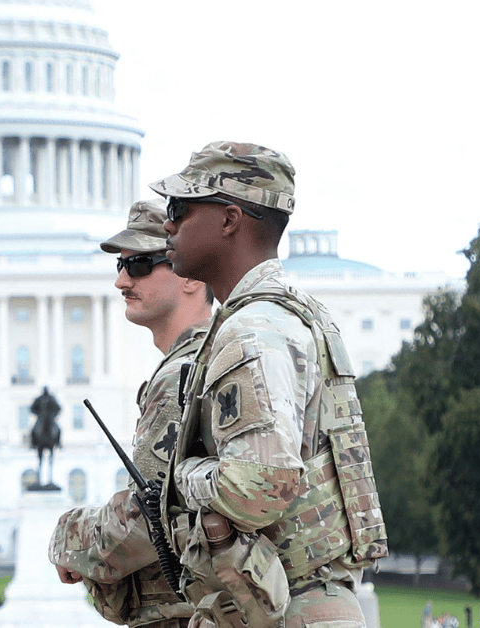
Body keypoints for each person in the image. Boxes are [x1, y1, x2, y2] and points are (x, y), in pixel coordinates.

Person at [152, 142, 388, 628]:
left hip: (286, 609)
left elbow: (257, 486)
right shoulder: (290, 314)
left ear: (229, 219)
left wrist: (182, 477)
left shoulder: (254, 330)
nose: (168, 226)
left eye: (179, 208)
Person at [49, 199, 212, 628]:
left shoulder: (187, 372)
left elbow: (152, 513)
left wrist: (67, 537)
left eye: (139, 264)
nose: (122, 281)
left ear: (191, 274)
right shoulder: (202, 360)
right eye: (120, 266)